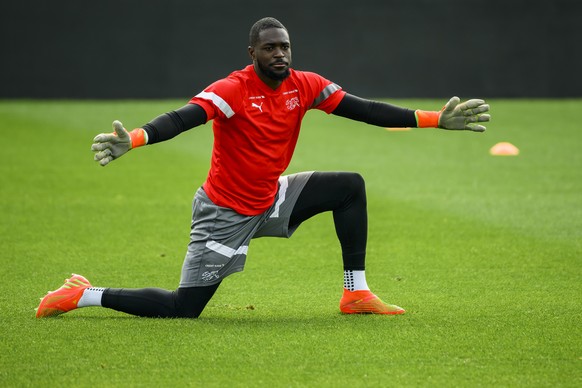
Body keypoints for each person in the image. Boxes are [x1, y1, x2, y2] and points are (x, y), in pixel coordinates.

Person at [36, 17, 490, 319]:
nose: (280, 54)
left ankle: (355, 292)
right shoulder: (232, 89)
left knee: (349, 187)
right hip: (225, 213)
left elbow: (367, 109)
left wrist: (436, 120)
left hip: (271, 198)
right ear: (252, 51)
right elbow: (181, 119)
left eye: (286, 47)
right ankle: (84, 294)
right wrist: (132, 139)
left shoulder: (305, 85)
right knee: (183, 309)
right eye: (270, 47)